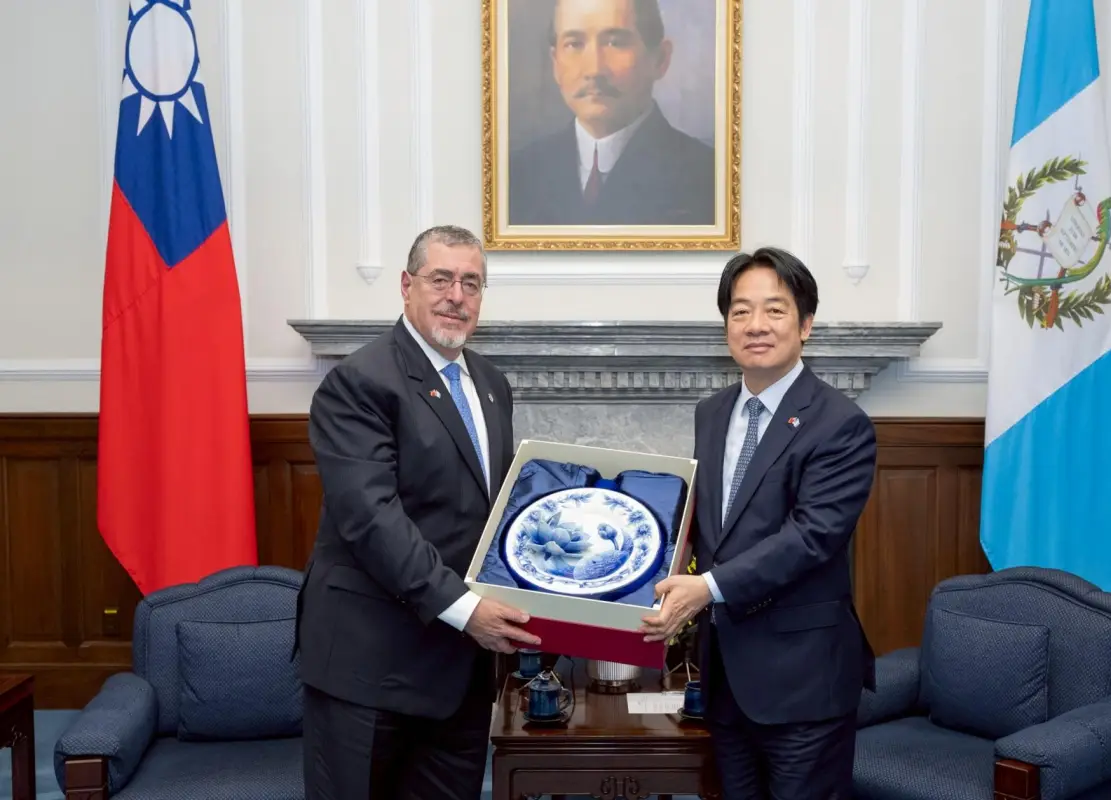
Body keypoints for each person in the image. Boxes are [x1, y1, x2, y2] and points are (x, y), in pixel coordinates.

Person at [295, 225, 541, 799]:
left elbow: (491, 513)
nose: (457, 296)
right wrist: (467, 609)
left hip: (457, 671)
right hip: (369, 666)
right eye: (441, 279)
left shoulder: (491, 385)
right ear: (407, 286)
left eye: (471, 283)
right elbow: (371, 520)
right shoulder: (359, 381)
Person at [640, 247, 878, 799]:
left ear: (806, 325)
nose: (756, 325)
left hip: (803, 684)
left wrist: (705, 588)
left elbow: (811, 537)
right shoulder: (712, 412)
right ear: (726, 326)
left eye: (774, 310)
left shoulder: (840, 423)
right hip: (726, 679)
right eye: (740, 311)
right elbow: (708, 524)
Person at [508, 0, 715, 227]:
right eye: (574, 44)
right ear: (556, 63)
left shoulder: (708, 179)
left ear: (659, 60)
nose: (594, 69)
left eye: (614, 43)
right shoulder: (517, 175)